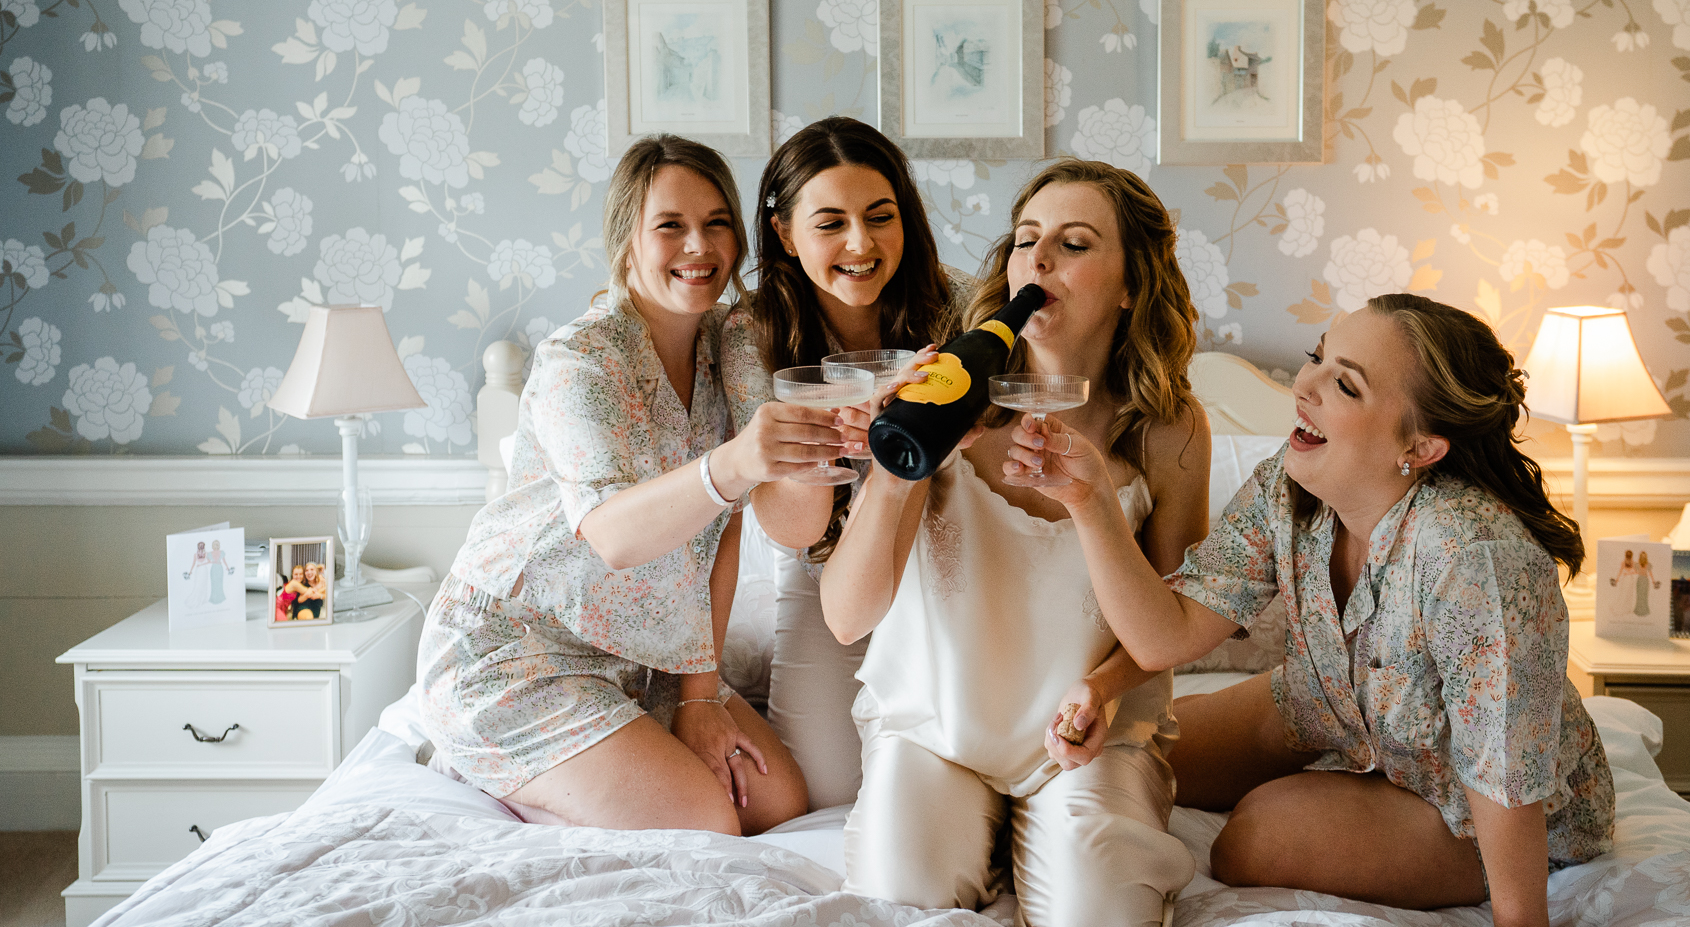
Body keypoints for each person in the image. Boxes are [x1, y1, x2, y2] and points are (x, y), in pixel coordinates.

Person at [1044, 294, 1613, 927]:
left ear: (1421, 448)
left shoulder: (1472, 558)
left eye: (1344, 384)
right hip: (1337, 709)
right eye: (1317, 357)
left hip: (1466, 791)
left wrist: (1520, 918)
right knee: (1135, 751)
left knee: (1254, 837)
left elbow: (1503, 771)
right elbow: (1170, 630)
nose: (1305, 384)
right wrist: (1102, 680)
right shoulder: (1284, 487)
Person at [417, 135, 849, 834]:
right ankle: (479, 761)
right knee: (705, 819)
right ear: (626, 242)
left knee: (777, 803)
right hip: (518, 652)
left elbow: (727, 532)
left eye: (716, 224)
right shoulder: (577, 363)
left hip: (649, 658)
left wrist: (701, 700)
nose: (698, 246)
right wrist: (736, 462)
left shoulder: (733, 340)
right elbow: (614, 535)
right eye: (670, 226)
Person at [821, 158, 1210, 927]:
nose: (1037, 260)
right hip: (937, 726)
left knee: (1098, 914)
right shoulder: (946, 395)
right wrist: (898, 472)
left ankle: (1025, 827)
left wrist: (1099, 691)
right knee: (903, 898)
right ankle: (983, 830)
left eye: (1073, 243)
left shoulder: (1169, 429)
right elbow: (846, 616)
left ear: (1131, 283)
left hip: (1088, 734)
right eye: (1026, 240)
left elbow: (1178, 622)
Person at [720, 116, 968, 809]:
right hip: (822, 576)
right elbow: (792, 532)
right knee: (830, 793)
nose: (861, 244)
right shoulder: (751, 336)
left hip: (947, 571)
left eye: (880, 217)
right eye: (830, 223)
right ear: (783, 233)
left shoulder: (959, 310)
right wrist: (834, 437)